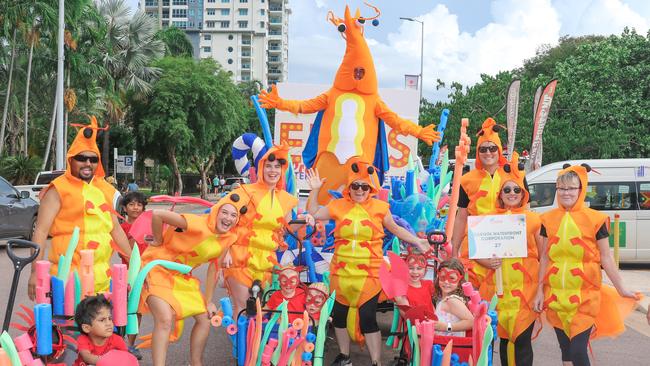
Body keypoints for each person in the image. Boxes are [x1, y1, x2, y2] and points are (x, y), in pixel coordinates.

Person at [306, 158, 431, 366]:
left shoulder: (380, 208)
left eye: (364, 186)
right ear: (350, 186)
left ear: (370, 187)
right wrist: (314, 190)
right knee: (338, 316)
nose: (359, 189)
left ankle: (375, 361)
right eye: (355, 185)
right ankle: (344, 356)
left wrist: (418, 240)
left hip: (369, 273)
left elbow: (396, 229)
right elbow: (315, 212)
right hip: (342, 273)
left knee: (367, 316)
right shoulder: (338, 205)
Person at [533, 164, 638, 366]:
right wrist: (539, 291)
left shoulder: (596, 219)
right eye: (561, 188)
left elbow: (606, 258)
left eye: (571, 188)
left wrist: (622, 288)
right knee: (566, 352)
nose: (566, 193)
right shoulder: (547, 219)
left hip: (584, 298)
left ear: (581, 189)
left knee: (578, 351)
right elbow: (545, 257)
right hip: (555, 296)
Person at [28, 117, 131, 299]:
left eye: (93, 159)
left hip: (102, 280)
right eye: (81, 158)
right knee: (67, 327)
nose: (87, 163)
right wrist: (35, 272)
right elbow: (41, 232)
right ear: (71, 160)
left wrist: (134, 265)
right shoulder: (58, 189)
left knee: (104, 327)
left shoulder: (104, 189)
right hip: (69, 281)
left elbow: (116, 231)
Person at [140, 192, 246, 366]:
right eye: (224, 212)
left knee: (204, 319)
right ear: (216, 212)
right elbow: (158, 214)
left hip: (181, 277)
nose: (228, 218)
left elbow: (214, 268)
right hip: (157, 267)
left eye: (234, 215)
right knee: (165, 319)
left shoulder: (228, 239)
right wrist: (158, 241)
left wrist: (210, 301)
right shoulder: (197, 223)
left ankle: (196, 363)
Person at [222, 145, 308, 316]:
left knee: (257, 312)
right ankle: (240, 343)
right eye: (269, 166)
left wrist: (305, 219)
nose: (272, 170)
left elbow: (284, 230)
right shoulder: (245, 192)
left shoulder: (283, 199)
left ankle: (251, 343)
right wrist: (225, 252)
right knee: (243, 309)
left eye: (277, 166)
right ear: (261, 168)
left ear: (283, 170)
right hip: (241, 258)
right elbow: (224, 220)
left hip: (266, 262)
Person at [479, 152, 542, 366]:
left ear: (523, 193)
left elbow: (545, 257)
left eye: (517, 190)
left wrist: (542, 289)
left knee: (522, 339)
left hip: (526, 291)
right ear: (500, 194)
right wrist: (487, 262)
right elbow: (477, 253)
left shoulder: (534, 220)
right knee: (504, 340)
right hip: (499, 291)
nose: (512, 193)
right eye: (507, 190)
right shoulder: (488, 220)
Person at [450, 117, 507, 286]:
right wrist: (454, 252)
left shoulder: (513, 176)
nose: (488, 153)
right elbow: (461, 217)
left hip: (506, 247)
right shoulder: (467, 180)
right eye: (483, 149)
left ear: (499, 150)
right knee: (475, 299)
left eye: (492, 148)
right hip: (475, 248)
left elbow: (525, 213)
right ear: (477, 152)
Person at [118, 191, 148, 359]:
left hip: (144, 273)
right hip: (126, 274)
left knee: (137, 310)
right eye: (131, 204)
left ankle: (131, 344)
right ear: (125, 208)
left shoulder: (149, 226)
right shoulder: (121, 228)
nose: (135, 208)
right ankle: (118, 342)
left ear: (143, 207)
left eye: (139, 204)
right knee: (122, 308)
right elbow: (123, 252)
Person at [73, 295, 133, 366]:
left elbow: (126, 358)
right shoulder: (83, 340)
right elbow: (87, 357)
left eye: (110, 318)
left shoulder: (118, 340)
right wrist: (109, 361)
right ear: (86, 328)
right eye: (102, 320)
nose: (109, 323)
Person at [433, 258, 474, 337]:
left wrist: (446, 327)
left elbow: (471, 322)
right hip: (445, 345)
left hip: (451, 346)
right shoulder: (443, 299)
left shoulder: (452, 300)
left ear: (459, 281)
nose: (446, 282)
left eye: (452, 278)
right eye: (443, 277)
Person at [393, 248, 435, 320]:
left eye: (419, 268)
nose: (415, 272)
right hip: (415, 326)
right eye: (411, 268)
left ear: (425, 270)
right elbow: (406, 314)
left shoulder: (428, 284)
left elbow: (432, 307)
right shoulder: (402, 289)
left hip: (433, 323)